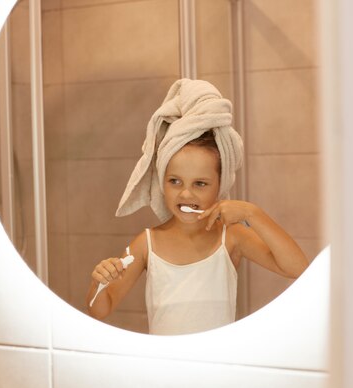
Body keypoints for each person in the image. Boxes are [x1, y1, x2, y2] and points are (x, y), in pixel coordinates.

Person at [85, 79, 309, 335]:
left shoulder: (231, 237)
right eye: (174, 181)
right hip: (166, 371)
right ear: (162, 183)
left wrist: (251, 213)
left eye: (200, 183)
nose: (186, 193)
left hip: (217, 370)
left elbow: (298, 268)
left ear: (219, 186)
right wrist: (98, 282)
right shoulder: (147, 243)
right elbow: (100, 309)